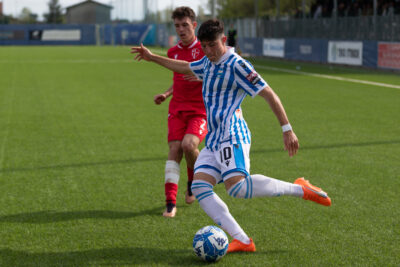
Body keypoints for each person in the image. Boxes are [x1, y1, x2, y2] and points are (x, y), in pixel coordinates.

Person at [131, 19, 331, 253]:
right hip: (215, 139)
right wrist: (152, 57)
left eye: (213, 45)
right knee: (200, 188)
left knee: (237, 188)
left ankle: (301, 188)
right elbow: (184, 66)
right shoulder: (207, 62)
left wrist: (287, 130)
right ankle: (243, 241)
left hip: (233, 135)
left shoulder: (238, 65)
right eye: (204, 46)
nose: (208, 51)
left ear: (224, 41)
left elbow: (268, 94)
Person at [153, 7, 207, 218]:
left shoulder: (205, 49)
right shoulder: (172, 52)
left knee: (189, 145)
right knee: (175, 149)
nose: (181, 29)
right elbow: (178, 80)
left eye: (185, 25)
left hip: (200, 111)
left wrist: (202, 78)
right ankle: (170, 203)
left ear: (194, 25)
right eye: (177, 26)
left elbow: (217, 75)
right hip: (176, 109)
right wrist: (166, 94)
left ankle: (193, 182)